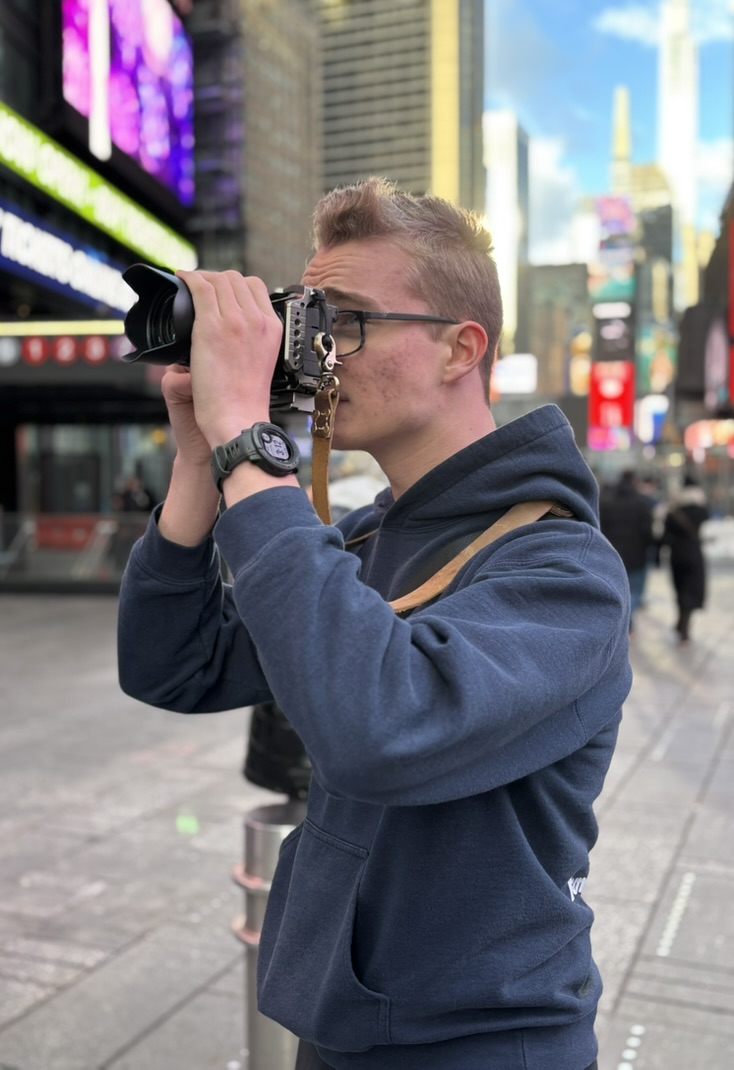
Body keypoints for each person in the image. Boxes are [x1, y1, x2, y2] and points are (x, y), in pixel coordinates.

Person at [117, 177, 632, 1070]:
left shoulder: (565, 572)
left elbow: (380, 729)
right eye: (307, 319)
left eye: (344, 321)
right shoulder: (364, 536)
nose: (317, 354)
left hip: (479, 1043)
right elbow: (173, 666)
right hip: (342, 1024)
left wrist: (248, 434)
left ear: (458, 350)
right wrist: (202, 458)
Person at [598, 469, 654, 633]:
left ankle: (624, 622)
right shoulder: (641, 502)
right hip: (638, 555)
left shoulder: (607, 502)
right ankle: (627, 622)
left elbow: (602, 529)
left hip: (614, 555)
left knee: (619, 590)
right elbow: (647, 531)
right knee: (636, 590)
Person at [662, 474, 710, 643]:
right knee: (692, 588)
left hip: (677, 554)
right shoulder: (700, 510)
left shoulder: (673, 512)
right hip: (694, 553)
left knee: (680, 587)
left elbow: (664, 535)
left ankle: (680, 621)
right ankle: (684, 625)